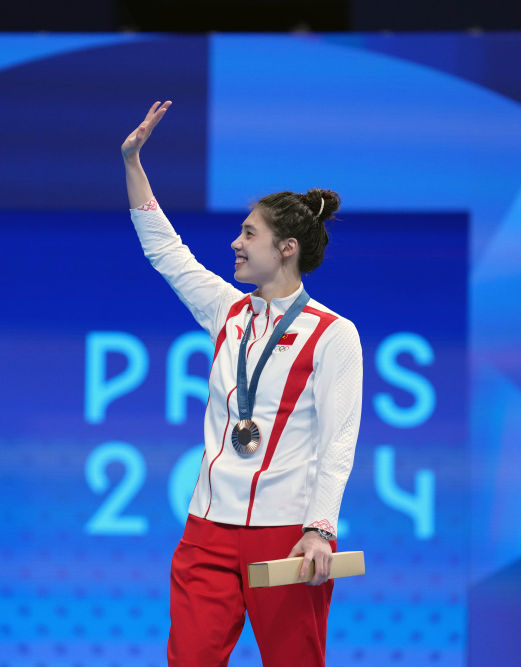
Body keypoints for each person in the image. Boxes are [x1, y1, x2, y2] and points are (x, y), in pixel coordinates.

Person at [122, 101, 363, 667]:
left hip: (285, 536)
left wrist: (320, 530)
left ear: (287, 249)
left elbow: (338, 442)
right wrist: (132, 162)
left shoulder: (333, 335)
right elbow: (165, 251)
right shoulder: (226, 312)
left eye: (248, 233)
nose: (235, 242)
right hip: (206, 530)